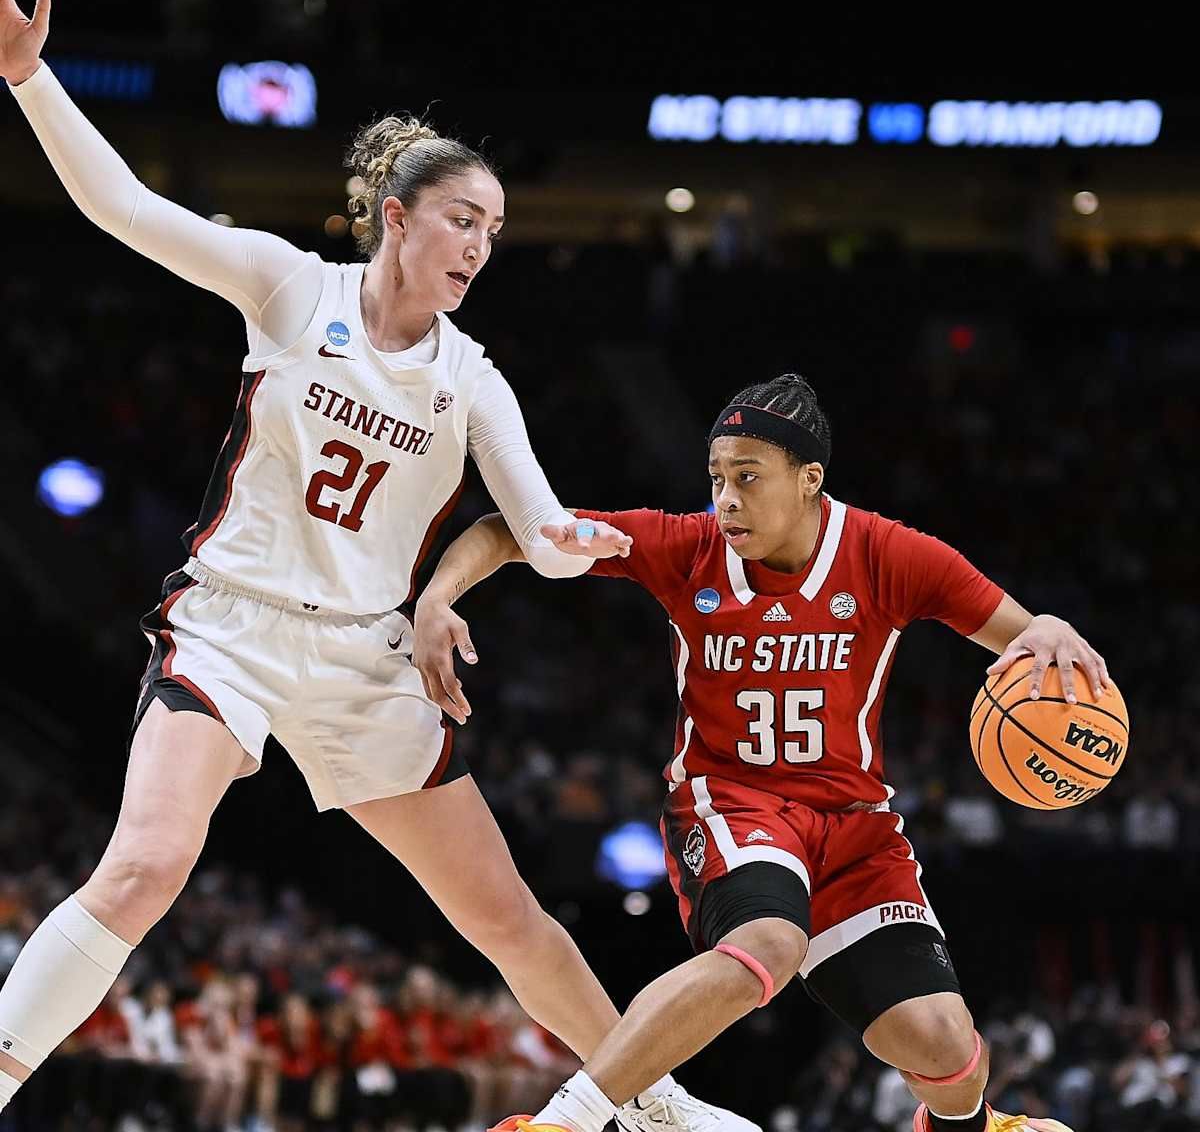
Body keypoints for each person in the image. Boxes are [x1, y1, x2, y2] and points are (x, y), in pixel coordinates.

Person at [0, 0, 752, 1132]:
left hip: (366, 661)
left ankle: (653, 1101)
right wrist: (30, 79)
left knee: (508, 918)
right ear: (397, 216)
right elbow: (128, 212)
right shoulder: (294, 295)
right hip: (232, 630)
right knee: (145, 867)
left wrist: (572, 546)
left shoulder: (472, 378)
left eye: (496, 232)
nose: (480, 246)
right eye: (464, 219)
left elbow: (539, 527)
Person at [414, 373, 1108, 1132]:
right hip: (729, 804)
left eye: (747, 477)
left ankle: (973, 1127)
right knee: (771, 943)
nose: (726, 498)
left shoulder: (885, 553)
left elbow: (1022, 633)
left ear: (810, 480)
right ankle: (564, 1123)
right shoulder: (685, 547)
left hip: (853, 824)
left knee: (944, 1045)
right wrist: (440, 596)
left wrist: (1048, 627)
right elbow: (506, 530)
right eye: (716, 477)